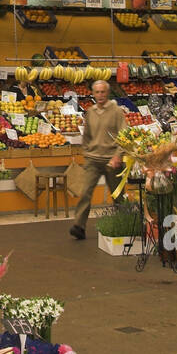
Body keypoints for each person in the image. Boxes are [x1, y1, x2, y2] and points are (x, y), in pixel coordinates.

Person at [69, 80, 127, 241]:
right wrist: (87, 153)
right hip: (93, 160)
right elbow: (86, 136)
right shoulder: (90, 112)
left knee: (118, 196)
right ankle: (79, 226)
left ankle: (126, 224)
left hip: (112, 160)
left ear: (107, 93)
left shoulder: (116, 111)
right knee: (85, 192)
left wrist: (118, 155)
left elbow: (124, 135)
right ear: (93, 94)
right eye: (97, 92)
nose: (100, 95)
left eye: (103, 92)